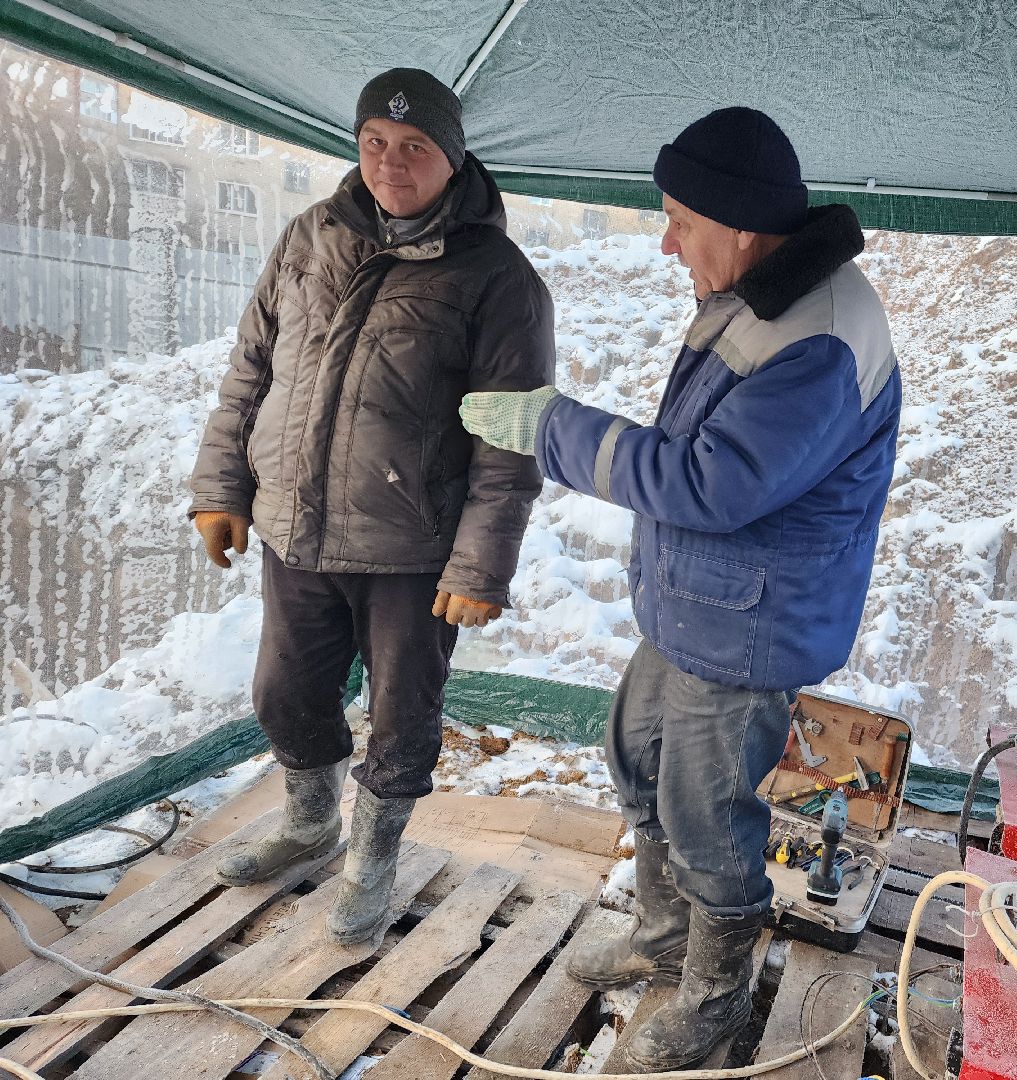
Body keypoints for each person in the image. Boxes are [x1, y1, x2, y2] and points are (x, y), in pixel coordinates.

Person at [460, 106, 900, 1069]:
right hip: (702, 604)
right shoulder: (769, 288)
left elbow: (710, 481)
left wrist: (551, 429)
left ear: (741, 224)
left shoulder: (816, 339)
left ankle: (712, 992)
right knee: (640, 757)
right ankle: (664, 937)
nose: (668, 243)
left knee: (709, 811)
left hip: (750, 623)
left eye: (680, 221)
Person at [188, 68, 554, 944]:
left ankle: (373, 857)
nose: (391, 163)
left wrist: (480, 566)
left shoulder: (499, 279)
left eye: (415, 147)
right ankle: (311, 824)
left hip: (412, 547)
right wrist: (222, 488)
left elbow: (511, 436)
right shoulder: (311, 235)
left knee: (401, 716)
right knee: (284, 693)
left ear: (452, 159)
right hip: (296, 527)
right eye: (374, 143)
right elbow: (251, 370)